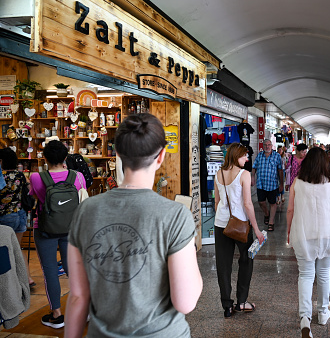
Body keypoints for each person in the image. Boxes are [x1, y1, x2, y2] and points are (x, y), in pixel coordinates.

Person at [65, 114, 202, 337]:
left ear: (118, 153)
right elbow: (185, 303)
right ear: (160, 157)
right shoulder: (175, 215)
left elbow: (78, 296)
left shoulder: (86, 210)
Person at [286, 147, 330, 338]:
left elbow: (290, 211)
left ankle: (305, 318)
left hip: (304, 234)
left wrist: (289, 232)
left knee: (305, 275)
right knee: (324, 274)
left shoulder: (296, 183)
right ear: (325, 163)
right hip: (328, 234)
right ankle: (322, 313)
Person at [29, 140, 86, 329]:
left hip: (45, 228)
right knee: (74, 270)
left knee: (50, 272)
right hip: (71, 228)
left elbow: (35, 197)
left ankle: (57, 315)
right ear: (65, 157)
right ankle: (84, 309)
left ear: (44, 158)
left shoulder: (37, 178)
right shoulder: (77, 176)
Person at [214, 142, 265, 318]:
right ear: (236, 156)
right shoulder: (244, 174)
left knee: (223, 265)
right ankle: (241, 302)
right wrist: (257, 229)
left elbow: (217, 202)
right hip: (241, 225)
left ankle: (227, 306)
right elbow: (247, 204)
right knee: (246, 260)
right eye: (245, 155)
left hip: (221, 224)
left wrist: (223, 217)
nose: (247, 158)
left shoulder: (218, 173)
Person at [0, 148, 34, 288]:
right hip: (20, 215)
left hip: (5, 216)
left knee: (5, 250)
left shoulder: (1, 175)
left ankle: (10, 284)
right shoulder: (20, 175)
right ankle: (27, 278)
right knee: (17, 248)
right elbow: (30, 189)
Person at [252, 139, 284, 231]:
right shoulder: (259, 156)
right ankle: (266, 214)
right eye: (265, 145)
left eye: (269, 145)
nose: (267, 146)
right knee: (261, 202)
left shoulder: (277, 156)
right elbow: (254, 167)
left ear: (271, 145)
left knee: (272, 203)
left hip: (272, 184)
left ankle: (271, 222)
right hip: (260, 184)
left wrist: (281, 184)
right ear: (263, 146)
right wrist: (253, 177)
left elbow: (280, 170)